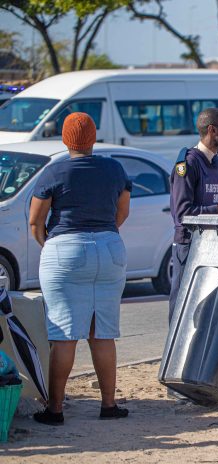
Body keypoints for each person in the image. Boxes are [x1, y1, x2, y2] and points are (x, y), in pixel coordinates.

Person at [29, 112, 131, 425]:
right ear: (93, 137)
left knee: (64, 333)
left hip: (66, 247)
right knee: (103, 333)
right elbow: (122, 212)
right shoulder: (114, 168)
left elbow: (35, 221)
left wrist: (52, 246)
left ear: (64, 138)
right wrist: (102, 236)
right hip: (109, 247)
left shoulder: (54, 170)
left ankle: (55, 409)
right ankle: (109, 405)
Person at [169, 108, 218, 321]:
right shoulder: (188, 163)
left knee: (208, 313)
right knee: (183, 311)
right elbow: (182, 214)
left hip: (215, 247)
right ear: (212, 130)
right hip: (190, 246)